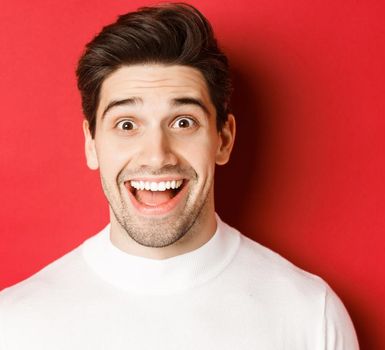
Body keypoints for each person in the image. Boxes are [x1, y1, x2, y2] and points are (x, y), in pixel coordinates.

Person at [0, 3, 359, 349]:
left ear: (224, 139)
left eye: (183, 123)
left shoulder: (310, 316)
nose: (157, 155)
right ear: (92, 145)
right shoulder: (15, 325)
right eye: (127, 125)